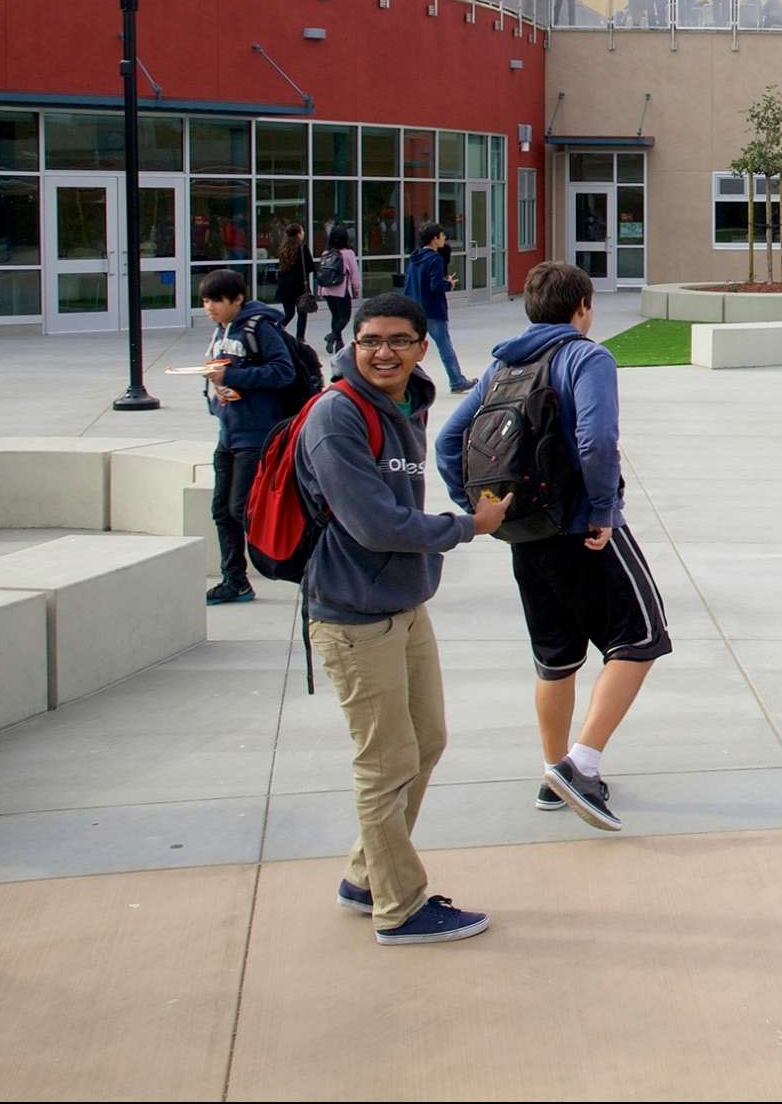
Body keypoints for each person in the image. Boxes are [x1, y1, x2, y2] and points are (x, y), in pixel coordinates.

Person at [301, 291, 509, 945]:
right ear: (351, 345)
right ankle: (399, 905)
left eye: (397, 340)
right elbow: (371, 523)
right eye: (369, 341)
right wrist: (465, 527)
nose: (382, 352)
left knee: (427, 740)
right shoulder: (338, 415)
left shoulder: (407, 402)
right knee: (385, 761)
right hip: (352, 613)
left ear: (423, 347)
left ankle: (366, 875)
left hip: (405, 604)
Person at [439, 262, 666, 832]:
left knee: (555, 657)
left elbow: (448, 440)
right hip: (580, 531)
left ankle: (551, 772)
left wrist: (482, 508)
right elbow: (597, 438)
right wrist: (600, 511)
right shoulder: (586, 357)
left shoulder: (502, 364)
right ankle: (582, 764)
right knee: (639, 636)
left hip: (526, 533)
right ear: (583, 305)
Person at [195, 268, 298, 607]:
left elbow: (284, 372)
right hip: (229, 432)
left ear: (237, 299)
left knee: (243, 509)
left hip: (257, 435)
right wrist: (221, 388)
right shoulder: (221, 330)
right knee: (222, 510)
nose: (209, 307)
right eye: (205, 301)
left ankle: (295, 562)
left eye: (216, 301)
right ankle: (235, 581)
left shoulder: (259, 328)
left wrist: (233, 375)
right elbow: (226, 374)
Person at [405, 222, 474, 392]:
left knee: (410, 347)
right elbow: (435, 286)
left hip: (414, 309)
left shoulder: (414, 258)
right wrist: (448, 284)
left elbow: (408, 284)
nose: (444, 239)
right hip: (433, 310)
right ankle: (457, 381)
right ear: (435, 239)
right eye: (442, 236)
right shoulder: (435, 259)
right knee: (445, 347)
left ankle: (403, 380)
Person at [317, 223, 362, 356]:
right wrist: (357, 289)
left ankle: (339, 344)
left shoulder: (325, 253)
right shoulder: (348, 253)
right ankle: (332, 336)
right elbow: (354, 273)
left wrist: (320, 290)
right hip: (340, 290)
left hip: (327, 290)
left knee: (335, 316)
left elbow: (322, 272)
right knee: (344, 317)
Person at [273, 223, 317, 350]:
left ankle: (276, 329)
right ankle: (300, 338)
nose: (303, 233)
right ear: (298, 233)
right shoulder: (302, 248)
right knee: (302, 312)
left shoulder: (283, 249)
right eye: (302, 231)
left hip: (285, 286)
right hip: (299, 286)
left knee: (289, 313)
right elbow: (310, 267)